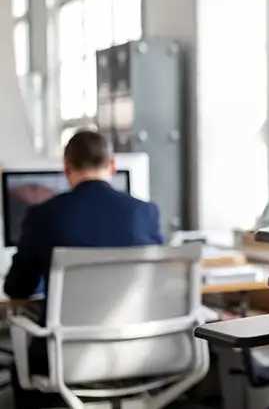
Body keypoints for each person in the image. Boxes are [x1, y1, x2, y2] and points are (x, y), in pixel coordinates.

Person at [4, 129, 163, 407]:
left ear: (67, 169)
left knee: (21, 360)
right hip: (136, 351)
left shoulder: (43, 215)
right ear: (112, 166)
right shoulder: (145, 213)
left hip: (66, 357)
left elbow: (17, 288)